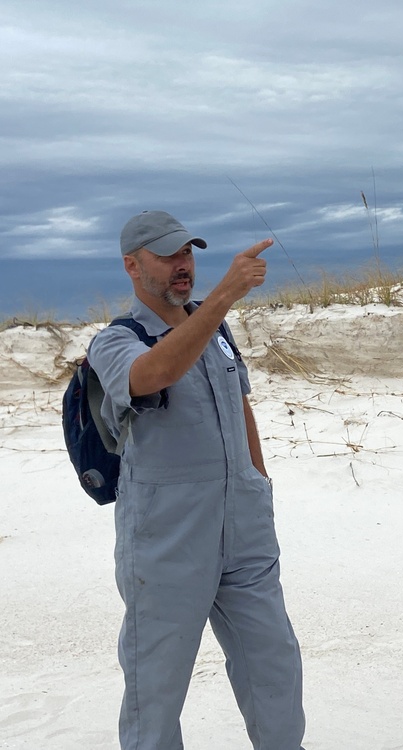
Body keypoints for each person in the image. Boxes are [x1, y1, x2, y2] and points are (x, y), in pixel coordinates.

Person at [88, 210, 306, 749]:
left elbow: (241, 401)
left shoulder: (216, 328)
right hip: (167, 535)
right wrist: (221, 299)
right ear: (132, 267)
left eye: (187, 253)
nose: (182, 265)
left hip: (243, 523)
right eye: (167, 256)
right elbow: (153, 375)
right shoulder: (116, 341)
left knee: (273, 660)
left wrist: (258, 480)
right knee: (156, 684)